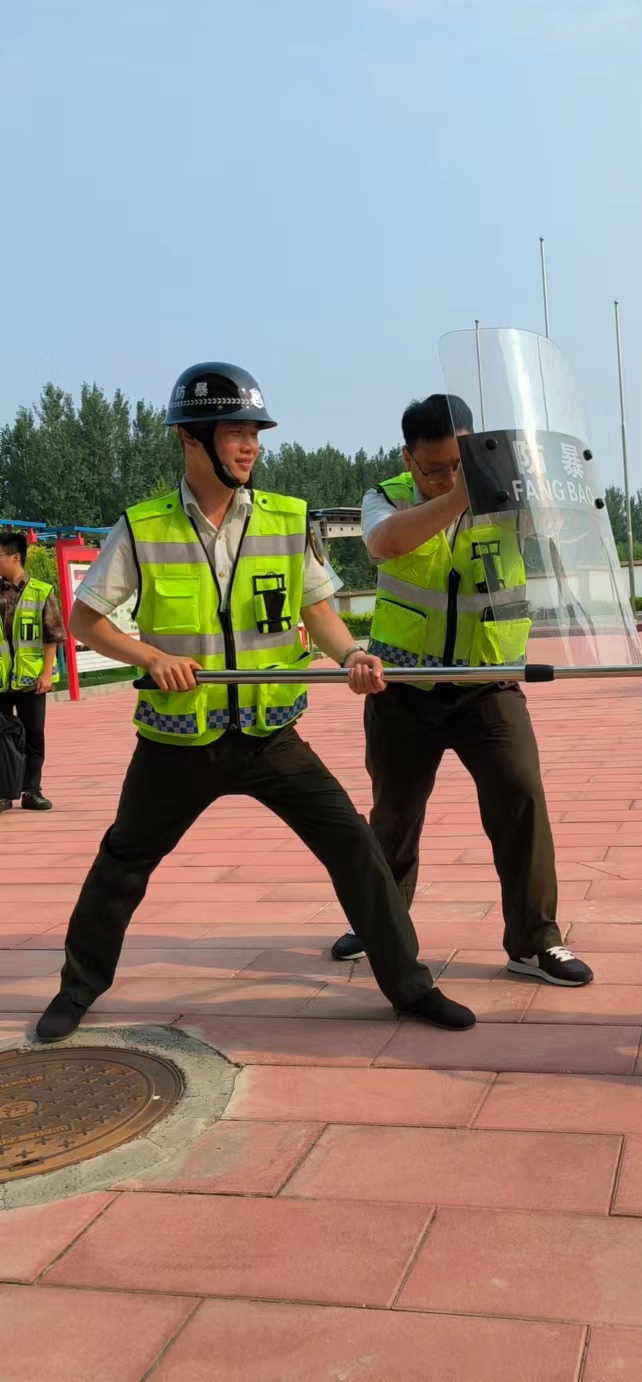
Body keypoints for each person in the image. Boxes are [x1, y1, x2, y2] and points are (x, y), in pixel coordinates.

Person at [35, 363, 474, 1042]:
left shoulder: (285, 518)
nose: (251, 446)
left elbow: (319, 611)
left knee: (355, 847)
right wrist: (150, 657)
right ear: (191, 439)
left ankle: (410, 988)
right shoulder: (144, 527)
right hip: (178, 741)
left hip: (271, 735)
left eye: (254, 433)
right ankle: (77, 990)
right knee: (123, 862)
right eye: (236, 432)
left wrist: (349, 655)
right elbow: (86, 622)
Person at [327, 394, 593, 987]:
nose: (449, 474)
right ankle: (382, 925)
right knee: (394, 815)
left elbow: (566, 530)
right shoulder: (386, 496)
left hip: (488, 683)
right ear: (408, 458)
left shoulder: (505, 492)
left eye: (460, 461)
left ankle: (534, 942)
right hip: (403, 686)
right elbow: (386, 544)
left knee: (521, 799)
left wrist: (547, 476)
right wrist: (459, 495)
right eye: (434, 468)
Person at [0, 531, 64, 812]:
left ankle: (31, 790)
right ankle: (4, 793)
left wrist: (47, 674)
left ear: (15, 557)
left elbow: (53, 636)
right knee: (2, 737)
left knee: (34, 736)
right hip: (0, 681)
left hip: (31, 680)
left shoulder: (41, 591)